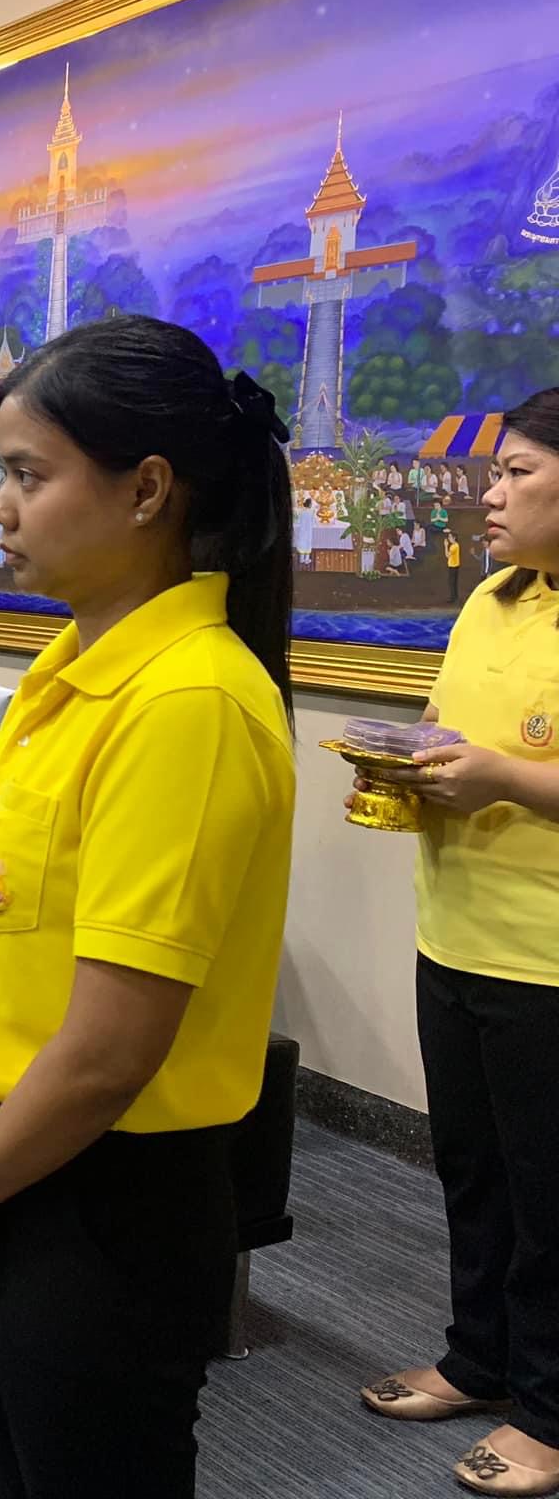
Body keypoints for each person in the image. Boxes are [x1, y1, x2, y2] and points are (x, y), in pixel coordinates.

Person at [0, 316, 297, 1499]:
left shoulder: (190, 702)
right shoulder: (67, 669)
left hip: (100, 1194)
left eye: (25, 474)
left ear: (146, 488)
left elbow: (110, 1051)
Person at [358, 388, 559, 1498]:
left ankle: (549, 1411)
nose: (489, 491)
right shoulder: (490, 597)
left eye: (518, 471)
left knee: (549, 1195)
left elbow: (508, 768)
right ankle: (477, 1360)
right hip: (457, 934)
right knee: (471, 1170)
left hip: (547, 960)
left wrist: (497, 780)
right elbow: (458, 737)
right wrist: (414, 770)